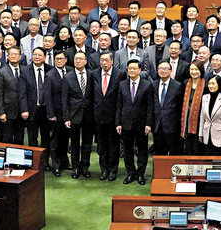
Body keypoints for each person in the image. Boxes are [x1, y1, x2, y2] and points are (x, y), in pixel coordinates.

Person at [116, 60, 154, 185]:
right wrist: (118, 123)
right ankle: (130, 173)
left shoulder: (147, 85)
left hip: (141, 123)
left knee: (142, 150)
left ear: (139, 70)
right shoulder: (122, 84)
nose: (131, 70)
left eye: (134, 68)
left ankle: (140, 174)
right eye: (129, 68)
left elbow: (150, 106)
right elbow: (119, 105)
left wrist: (149, 123)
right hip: (125, 123)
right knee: (127, 150)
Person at [91, 51, 123, 181]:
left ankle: (113, 170)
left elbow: (121, 97)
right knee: (102, 146)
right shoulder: (94, 74)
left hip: (113, 116)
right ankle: (104, 170)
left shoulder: (120, 74)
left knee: (113, 145)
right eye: (102, 60)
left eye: (106, 60)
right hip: (98, 116)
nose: (104, 63)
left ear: (112, 61)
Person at [63, 51, 94, 178]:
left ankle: (85, 166)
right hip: (74, 114)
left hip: (89, 114)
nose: (78, 61)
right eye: (76, 59)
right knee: (74, 143)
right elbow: (64, 98)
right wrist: (66, 117)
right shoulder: (68, 77)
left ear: (86, 61)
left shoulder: (92, 75)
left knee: (87, 143)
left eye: (81, 59)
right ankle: (75, 167)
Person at [152, 62, 183, 156]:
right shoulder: (153, 85)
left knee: (173, 152)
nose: (163, 71)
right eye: (161, 68)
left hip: (172, 125)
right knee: (159, 152)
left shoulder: (177, 85)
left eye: (166, 68)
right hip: (157, 124)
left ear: (170, 71)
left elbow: (180, 106)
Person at [198, 75, 221, 155]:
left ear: (219, 84)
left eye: (213, 83)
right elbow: (202, 118)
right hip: (207, 134)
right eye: (209, 83)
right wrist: (200, 134)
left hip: (220, 136)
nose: (211, 86)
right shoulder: (205, 98)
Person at [180, 63, 205, 155]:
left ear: (201, 71)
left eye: (196, 70)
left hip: (199, 121)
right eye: (192, 69)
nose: (194, 72)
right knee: (187, 148)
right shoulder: (186, 82)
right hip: (186, 121)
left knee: (197, 148)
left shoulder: (205, 84)